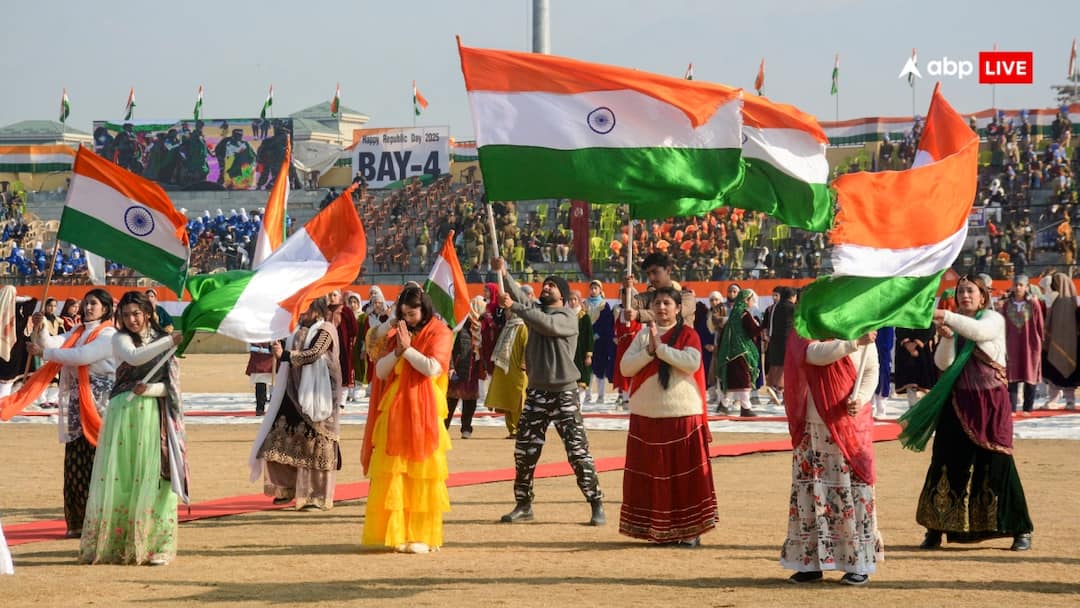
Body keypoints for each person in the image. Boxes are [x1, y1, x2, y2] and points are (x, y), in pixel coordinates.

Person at [901, 276, 1034, 551]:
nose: (965, 295)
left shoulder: (991, 320)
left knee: (998, 465)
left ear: (983, 296)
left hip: (989, 405)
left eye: (970, 291)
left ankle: (1019, 529)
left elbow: (979, 333)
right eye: (961, 291)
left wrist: (945, 315)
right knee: (945, 463)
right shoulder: (956, 324)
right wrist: (947, 339)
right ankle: (935, 529)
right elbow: (943, 363)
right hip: (957, 403)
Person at [493, 260, 606, 526]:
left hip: (564, 394)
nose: (546, 288)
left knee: (577, 452)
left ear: (563, 296)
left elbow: (544, 323)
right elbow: (522, 299)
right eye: (545, 285)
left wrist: (516, 306)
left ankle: (596, 502)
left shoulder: (568, 317)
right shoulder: (535, 311)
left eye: (552, 286)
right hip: (537, 393)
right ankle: (523, 505)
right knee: (524, 452)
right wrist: (505, 273)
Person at [80, 291, 187, 566]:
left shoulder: (164, 342)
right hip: (124, 414)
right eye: (126, 315)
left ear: (148, 313)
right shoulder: (119, 338)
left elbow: (172, 386)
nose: (132, 319)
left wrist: (150, 388)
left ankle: (156, 545)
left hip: (153, 415)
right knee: (123, 478)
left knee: (154, 476)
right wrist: (168, 340)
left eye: (137, 314)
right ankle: (119, 541)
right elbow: (135, 357)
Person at [0, 290, 117, 539]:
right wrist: (41, 328)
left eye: (93, 304)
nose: (87, 308)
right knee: (75, 462)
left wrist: (44, 353)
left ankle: (99, 520)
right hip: (77, 406)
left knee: (96, 461)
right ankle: (76, 522)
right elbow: (54, 343)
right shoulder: (77, 332)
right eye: (86, 303)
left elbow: (80, 356)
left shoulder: (108, 334)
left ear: (106, 308)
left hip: (99, 405)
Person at [781, 330, 883, 585]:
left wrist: (860, 398)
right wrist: (853, 343)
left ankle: (857, 563)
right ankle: (810, 564)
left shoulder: (861, 326)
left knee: (852, 494)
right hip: (813, 428)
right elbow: (813, 355)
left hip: (848, 426)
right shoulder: (804, 328)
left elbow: (871, 370)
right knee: (812, 497)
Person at [618, 286, 716, 546]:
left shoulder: (689, 334)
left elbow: (692, 363)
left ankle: (689, 532)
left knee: (685, 477)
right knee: (651, 476)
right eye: (658, 303)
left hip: (682, 413)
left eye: (667, 304)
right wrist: (648, 351)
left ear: (677, 308)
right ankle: (657, 529)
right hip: (646, 414)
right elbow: (626, 368)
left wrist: (660, 350)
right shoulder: (642, 336)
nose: (662, 308)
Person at [361, 285, 452, 553]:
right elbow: (379, 369)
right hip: (395, 412)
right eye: (404, 314)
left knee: (422, 475)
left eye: (412, 314)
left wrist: (409, 350)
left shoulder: (439, 332)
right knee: (395, 474)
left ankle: (422, 534)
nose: (408, 319)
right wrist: (398, 348)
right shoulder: (396, 332)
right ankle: (398, 532)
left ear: (424, 310)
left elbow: (433, 368)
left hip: (424, 413)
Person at [251, 297, 341, 510]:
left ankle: (315, 496)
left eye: (305, 308)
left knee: (313, 446)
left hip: (318, 396)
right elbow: (286, 353)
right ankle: (285, 488)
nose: (300, 313)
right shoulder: (296, 330)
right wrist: (278, 351)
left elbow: (315, 353)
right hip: (291, 392)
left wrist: (287, 355)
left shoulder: (326, 329)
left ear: (316, 309)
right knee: (277, 441)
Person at [714, 289, 762, 417]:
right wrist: (760, 326)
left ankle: (724, 405)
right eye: (751, 300)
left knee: (732, 381)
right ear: (746, 301)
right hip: (742, 352)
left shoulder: (735, 313)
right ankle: (745, 407)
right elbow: (753, 331)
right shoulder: (744, 314)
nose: (753, 302)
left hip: (730, 352)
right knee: (743, 381)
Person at [445, 296, 488, 439]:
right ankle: (443, 428)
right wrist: (450, 366)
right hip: (459, 366)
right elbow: (449, 347)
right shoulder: (460, 324)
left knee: (470, 401)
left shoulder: (482, 325)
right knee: (451, 400)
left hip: (473, 368)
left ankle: (466, 428)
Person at [1003, 275, 1043, 413]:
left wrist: (1040, 342)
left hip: (1030, 344)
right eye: (1016, 284)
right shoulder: (1007, 304)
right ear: (1013, 286)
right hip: (1011, 344)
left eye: (1021, 285)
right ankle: (1011, 409)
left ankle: (1028, 408)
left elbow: (1039, 325)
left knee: (1030, 375)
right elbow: (1002, 325)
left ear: (1027, 287)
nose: (1018, 287)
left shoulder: (1033, 304)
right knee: (1012, 376)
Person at [1042, 273, 1079, 410]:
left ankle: (1065, 400)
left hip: (1068, 345)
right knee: (1055, 372)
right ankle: (1064, 400)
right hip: (1061, 344)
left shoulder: (1069, 301)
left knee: (1063, 372)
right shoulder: (1060, 300)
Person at [0, 286, 37, 398]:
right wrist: (21, 300)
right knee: (6, 384)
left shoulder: (15, 310)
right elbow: (33, 301)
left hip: (12, 351)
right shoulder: (17, 312)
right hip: (11, 352)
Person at [762, 287, 795, 404]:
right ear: (792, 297)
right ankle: (781, 391)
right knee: (786, 366)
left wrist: (769, 337)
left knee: (775, 365)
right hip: (788, 341)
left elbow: (768, 325)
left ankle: (775, 389)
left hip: (774, 340)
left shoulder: (773, 307)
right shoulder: (793, 308)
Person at [326, 289, 358, 406]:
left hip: (343, 346)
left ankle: (342, 401)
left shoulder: (346, 310)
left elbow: (354, 328)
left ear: (339, 297)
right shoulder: (325, 310)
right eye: (330, 295)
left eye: (334, 295)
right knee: (329, 371)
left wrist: (350, 341)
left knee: (344, 370)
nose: (332, 297)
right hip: (328, 346)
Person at [585, 280, 615, 404]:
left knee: (599, 368)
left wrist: (598, 334)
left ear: (600, 290)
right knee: (587, 369)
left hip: (600, 342)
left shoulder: (604, 305)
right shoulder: (584, 304)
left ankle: (601, 395)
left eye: (595, 288)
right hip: (587, 341)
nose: (593, 290)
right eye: (591, 288)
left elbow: (607, 324)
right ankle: (587, 395)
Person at [893, 325, 937, 408]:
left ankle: (925, 409)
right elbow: (899, 324)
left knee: (925, 380)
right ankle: (912, 408)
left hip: (924, 349)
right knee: (909, 380)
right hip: (905, 350)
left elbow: (931, 325)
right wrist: (906, 342)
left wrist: (919, 341)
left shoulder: (926, 311)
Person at [566, 290, 595, 405]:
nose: (572, 302)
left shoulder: (585, 317)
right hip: (569, 353)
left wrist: (589, 355)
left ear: (579, 301)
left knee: (582, 381)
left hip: (581, 353)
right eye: (570, 300)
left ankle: (580, 405)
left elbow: (589, 337)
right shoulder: (566, 316)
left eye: (575, 299)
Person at [246, 342, 275, 416]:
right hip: (259, 360)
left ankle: (274, 408)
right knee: (260, 385)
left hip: (274, 360)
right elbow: (251, 347)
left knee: (275, 385)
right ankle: (260, 409)